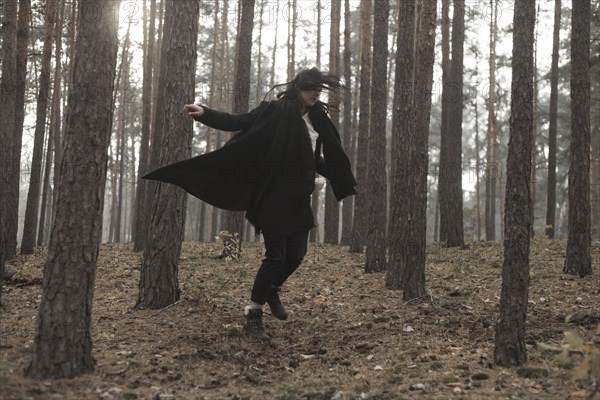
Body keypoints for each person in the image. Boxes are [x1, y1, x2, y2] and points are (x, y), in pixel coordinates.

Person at [143, 68, 357, 340]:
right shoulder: (275, 110)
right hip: (270, 195)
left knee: (297, 254)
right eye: (310, 89)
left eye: (319, 89)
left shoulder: (318, 120)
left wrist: (341, 177)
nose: (315, 93)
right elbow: (239, 121)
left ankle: (272, 289)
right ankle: (253, 314)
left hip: (298, 197)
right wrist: (206, 113)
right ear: (298, 89)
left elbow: (314, 159)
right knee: (276, 255)